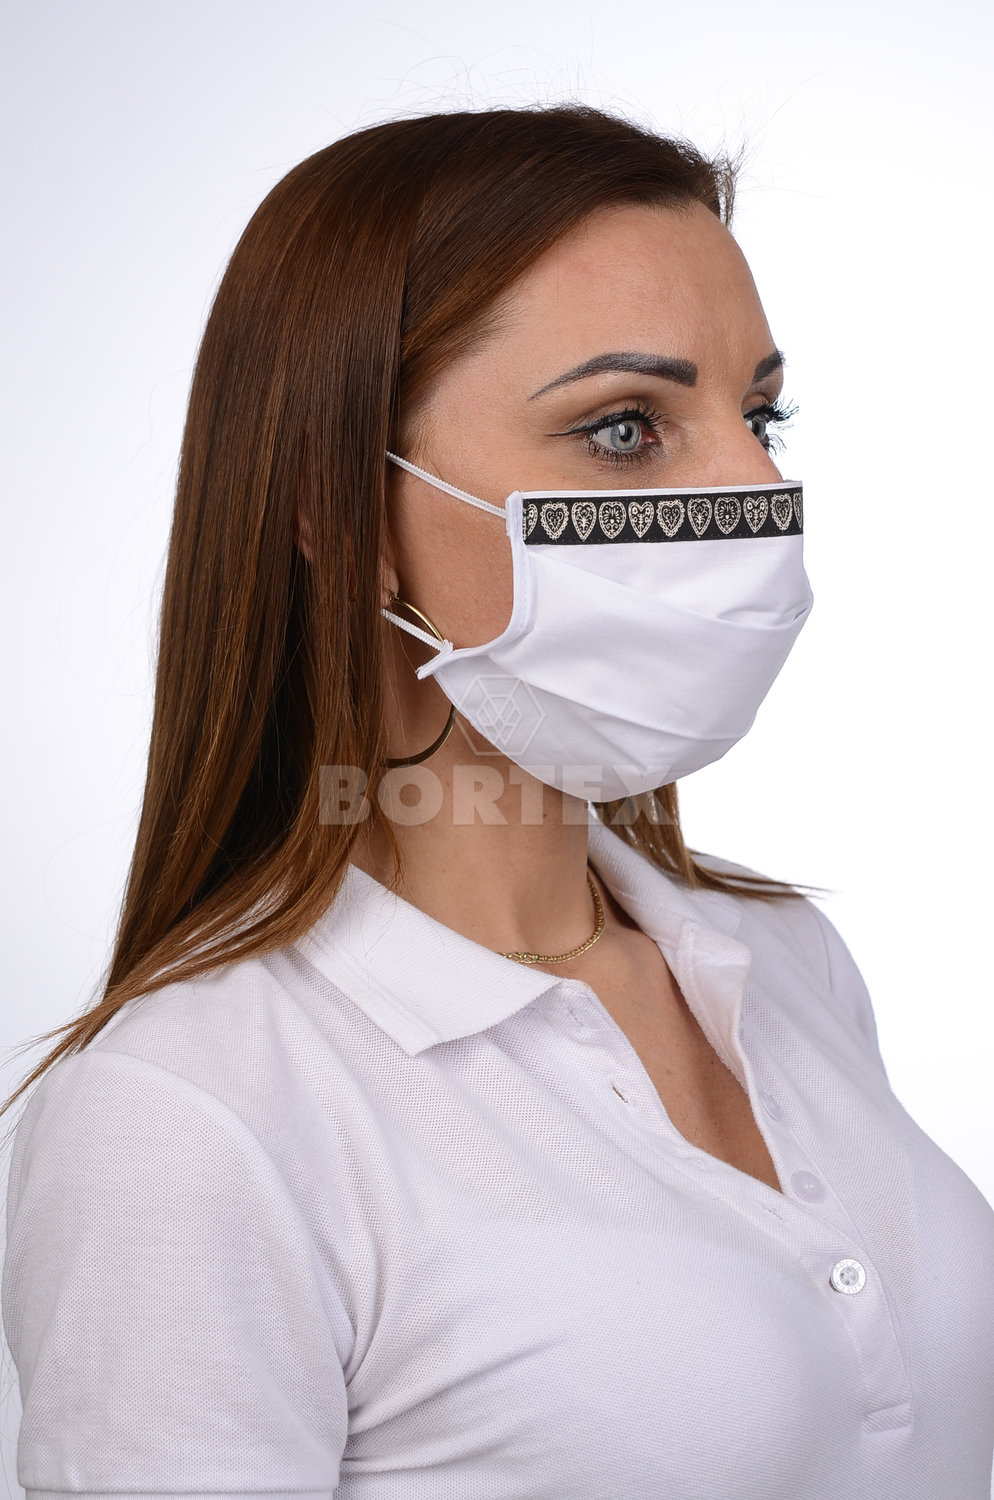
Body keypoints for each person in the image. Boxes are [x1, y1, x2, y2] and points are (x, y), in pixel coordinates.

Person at [2, 104, 992, 1500]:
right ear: (340, 512)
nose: (755, 489)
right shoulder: (189, 1116)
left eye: (759, 413)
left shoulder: (783, 964)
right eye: (626, 427)